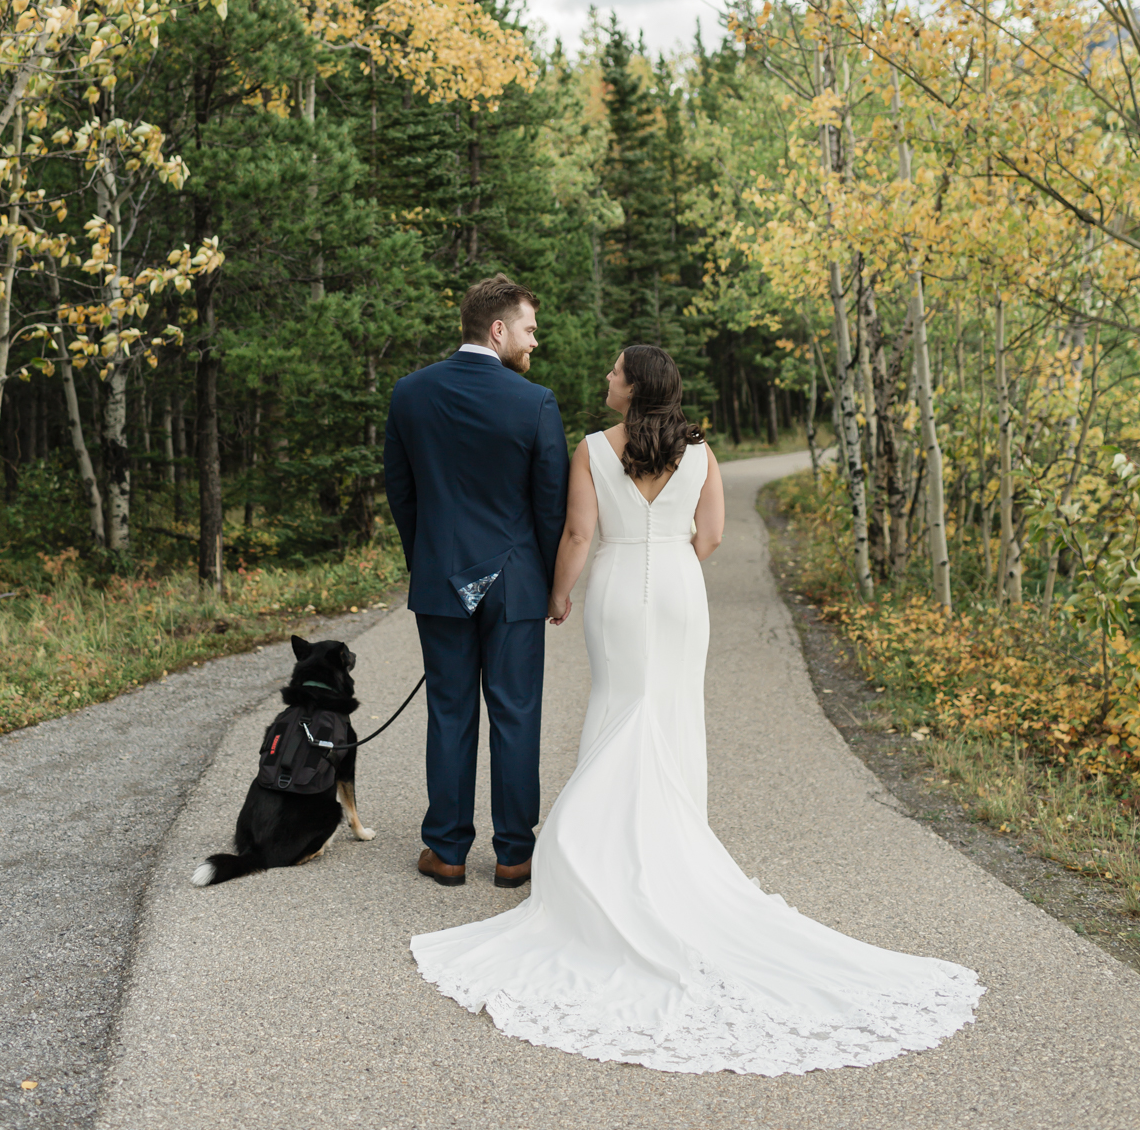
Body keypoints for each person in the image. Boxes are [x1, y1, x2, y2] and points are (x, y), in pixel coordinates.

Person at [411, 344, 983, 1075]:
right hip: (680, 593)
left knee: (621, 710)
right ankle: (675, 843)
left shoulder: (592, 449)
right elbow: (709, 538)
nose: (606, 377)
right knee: (670, 712)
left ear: (633, 386)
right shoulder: (702, 453)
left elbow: (580, 536)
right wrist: (669, 555)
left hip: (617, 592)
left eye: (613, 370)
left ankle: (608, 849)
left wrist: (558, 593)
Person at [383, 273, 570, 889]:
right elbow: (550, 507)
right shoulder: (534, 402)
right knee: (516, 714)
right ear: (498, 329)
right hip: (515, 583)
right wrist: (546, 583)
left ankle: (447, 851)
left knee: (450, 712)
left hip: (440, 579)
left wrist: (432, 564)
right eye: (528, 329)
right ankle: (515, 855)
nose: (533, 343)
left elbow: (402, 494)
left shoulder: (409, 394)